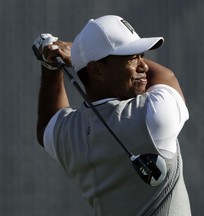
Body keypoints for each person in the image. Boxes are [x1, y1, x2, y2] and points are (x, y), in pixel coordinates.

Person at [33, 15, 191, 215]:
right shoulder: (152, 117)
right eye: (132, 58)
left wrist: (51, 67)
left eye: (142, 55)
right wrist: (76, 54)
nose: (144, 66)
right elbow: (167, 77)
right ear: (97, 70)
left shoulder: (68, 134)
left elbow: (46, 126)